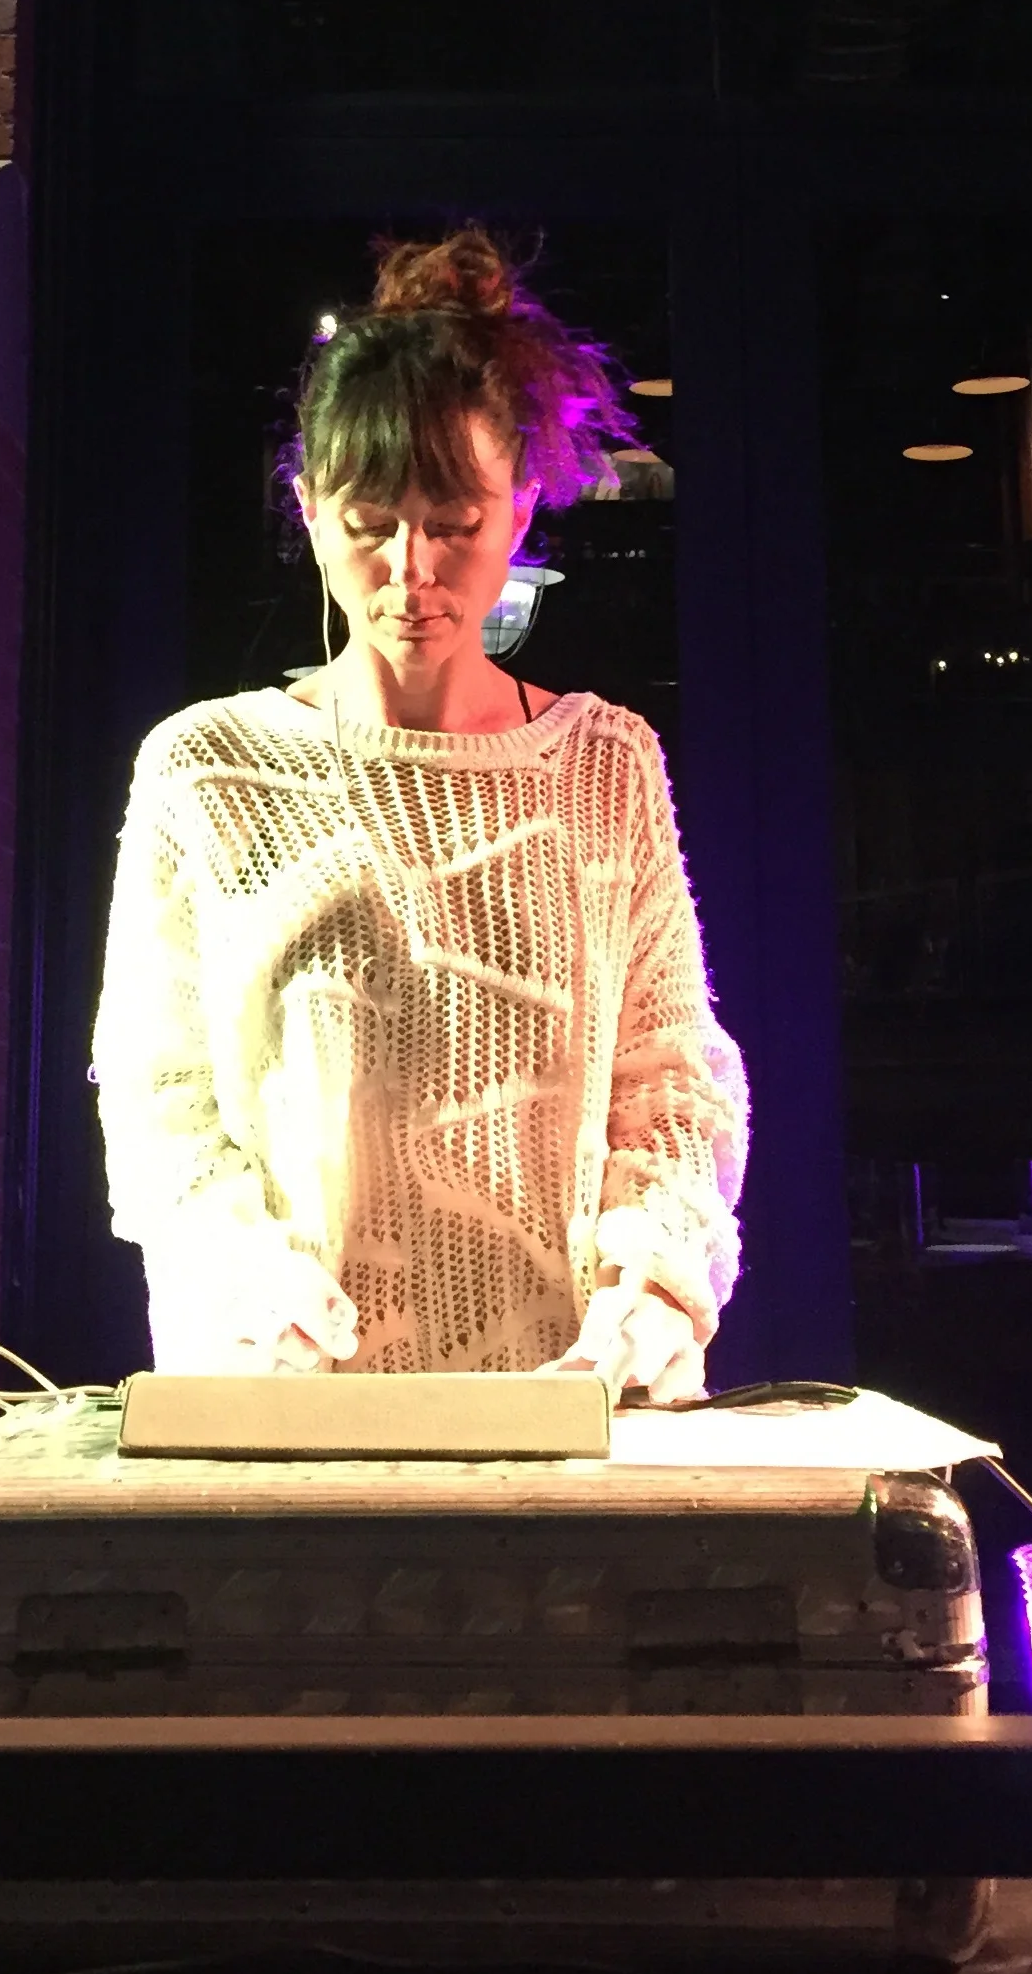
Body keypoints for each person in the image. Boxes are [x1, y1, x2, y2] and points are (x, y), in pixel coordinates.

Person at [92, 230, 748, 1404]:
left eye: (454, 524)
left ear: (521, 509)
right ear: (308, 511)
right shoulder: (209, 769)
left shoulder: (602, 765)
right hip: (288, 1404)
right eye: (369, 523)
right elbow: (161, 1098)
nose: (412, 571)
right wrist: (246, 1278)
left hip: (563, 1403)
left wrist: (652, 1280)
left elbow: (670, 1079)